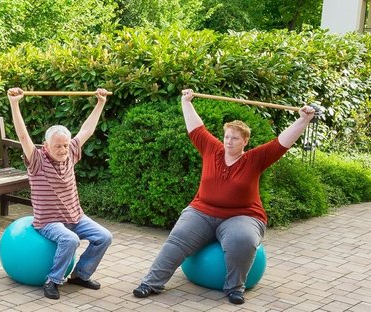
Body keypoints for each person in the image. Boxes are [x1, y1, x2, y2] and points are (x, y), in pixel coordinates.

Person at [133, 89, 316, 304]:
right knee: (179, 236)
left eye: (235, 138)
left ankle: (234, 288)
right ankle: (151, 283)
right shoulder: (212, 149)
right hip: (202, 211)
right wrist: (186, 101)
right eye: (227, 137)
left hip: (243, 215)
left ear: (245, 141)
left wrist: (303, 120)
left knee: (244, 239)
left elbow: (281, 143)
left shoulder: (255, 159)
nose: (229, 142)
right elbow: (196, 128)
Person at [7, 87, 113, 300]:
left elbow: (87, 130)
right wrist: (15, 103)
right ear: (45, 146)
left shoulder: (71, 152)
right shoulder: (37, 160)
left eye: (65, 145)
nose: (63, 150)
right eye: (58, 146)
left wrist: (100, 102)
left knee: (104, 237)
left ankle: (81, 275)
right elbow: (22, 135)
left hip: (76, 217)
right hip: (48, 221)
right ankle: (53, 280)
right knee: (70, 239)